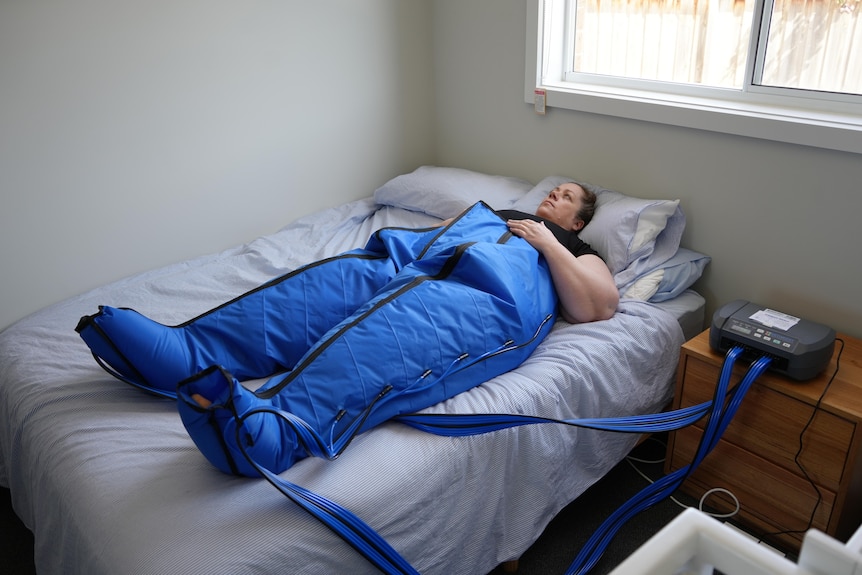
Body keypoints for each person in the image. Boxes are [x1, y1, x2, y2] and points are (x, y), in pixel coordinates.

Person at [77, 184, 618, 476]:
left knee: (387, 331)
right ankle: (188, 351)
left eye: (568, 197)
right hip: (414, 260)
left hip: (486, 296)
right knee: (328, 285)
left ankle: (277, 427)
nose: (555, 196)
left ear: (578, 221)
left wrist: (546, 243)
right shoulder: (500, 212)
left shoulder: (577, 250)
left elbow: (598, 306)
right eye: (555, 190)